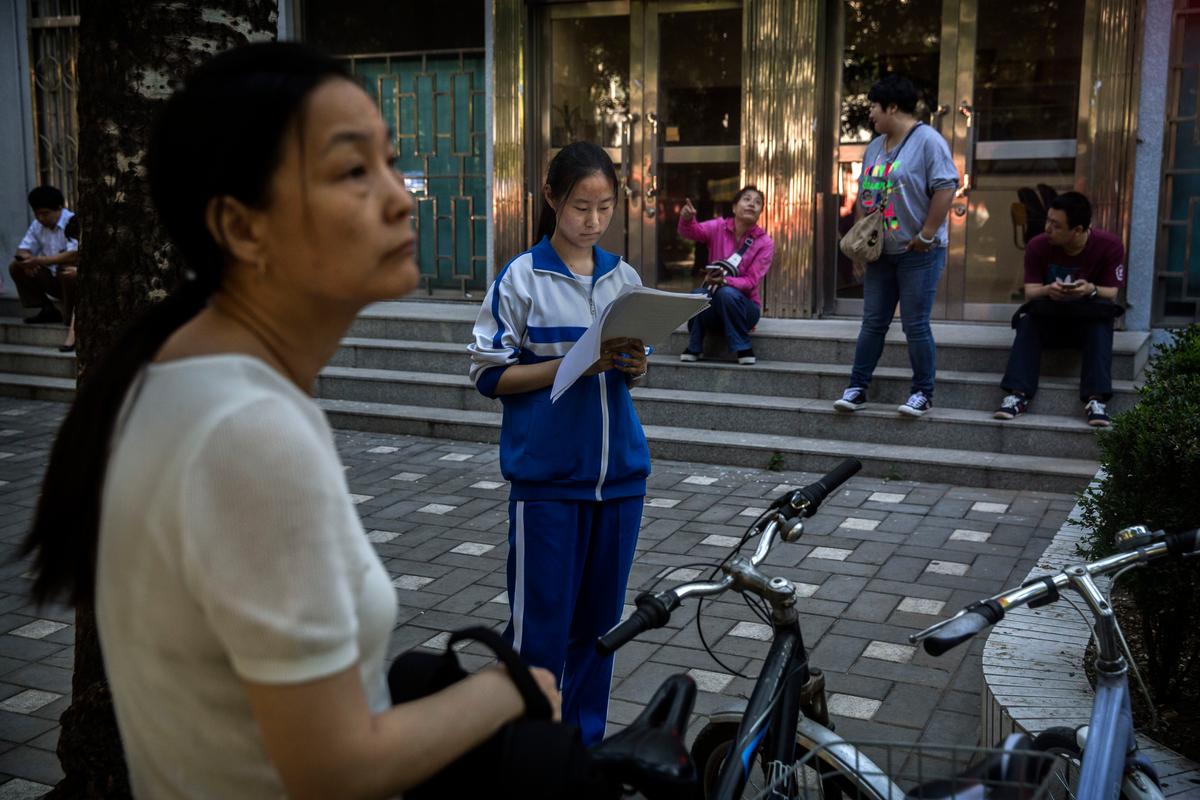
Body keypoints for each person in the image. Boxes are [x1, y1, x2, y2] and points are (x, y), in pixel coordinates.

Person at [20, 42, 559, 799]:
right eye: (351, 171)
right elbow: (332, 768)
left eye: (389, 162)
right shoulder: (249, 432)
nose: (400, 199)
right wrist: (513, 691)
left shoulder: (184, 378)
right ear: (243, 228)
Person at [468, 140, 650, 747]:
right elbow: (488, 375)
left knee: (600, 634)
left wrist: (634, 365)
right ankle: (529, 754)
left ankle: (581, 752)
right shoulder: (522, 278)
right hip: (547, 483)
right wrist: (571, 364)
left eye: (605, 208)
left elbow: (630, 364)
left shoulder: (624, 278)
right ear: (550, 198)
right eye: (580, 207)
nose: (593, 221)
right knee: (540, 634)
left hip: (620, 480)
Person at [834, 75, 958, 417]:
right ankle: (857, 387)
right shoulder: (875, 146)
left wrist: (927, 234)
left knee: (915, 324)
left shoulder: (928, 141)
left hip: (919, 252)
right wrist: (861, 241)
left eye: (874, 106)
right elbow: (866, 192)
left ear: (892, 107)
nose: (870, 114)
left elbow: (946, 187)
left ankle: (922, 392)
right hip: (881, 252)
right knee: (873, 322)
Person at [993, 191, 1124, 427]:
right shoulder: (1037, 245)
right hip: (1050, 319)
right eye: (1048, 221)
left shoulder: (1109, 245)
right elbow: (1031, 292)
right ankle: (1018, 395)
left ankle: (1095, 399)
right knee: (1028, 321)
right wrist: (1048, 290)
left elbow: (1112, 292)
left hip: (1086, 320)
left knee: (1101, 325)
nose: (1048, 229)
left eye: (1056, 225)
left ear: (1078, 230)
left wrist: (1089, 289)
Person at [677, 186, 773, 365]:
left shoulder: (764, 242)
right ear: (734, 207)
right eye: (747, 199)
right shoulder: (718, 227)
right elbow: (690, 232)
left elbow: (751, 281)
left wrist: (725, 281)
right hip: (714, 310)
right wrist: (687, 219)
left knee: (726, 293)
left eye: (757, 202)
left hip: (745, 310)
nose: (752, 204)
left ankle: (743, 347)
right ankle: (694, 346)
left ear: (760, 212)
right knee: (698, 294)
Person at [8, 185, 79, 326]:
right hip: (52, 278)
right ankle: (47, 309)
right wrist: (26, 261)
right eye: (37, 214)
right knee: (17, 266)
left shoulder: (72, 221)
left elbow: (74, 254)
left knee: (67, 270)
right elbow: (22, 250)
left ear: (59, 208)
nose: (41, 218)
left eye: (45, 214)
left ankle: (71, 315)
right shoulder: (37, 225)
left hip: (71, 279)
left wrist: (39, 260)